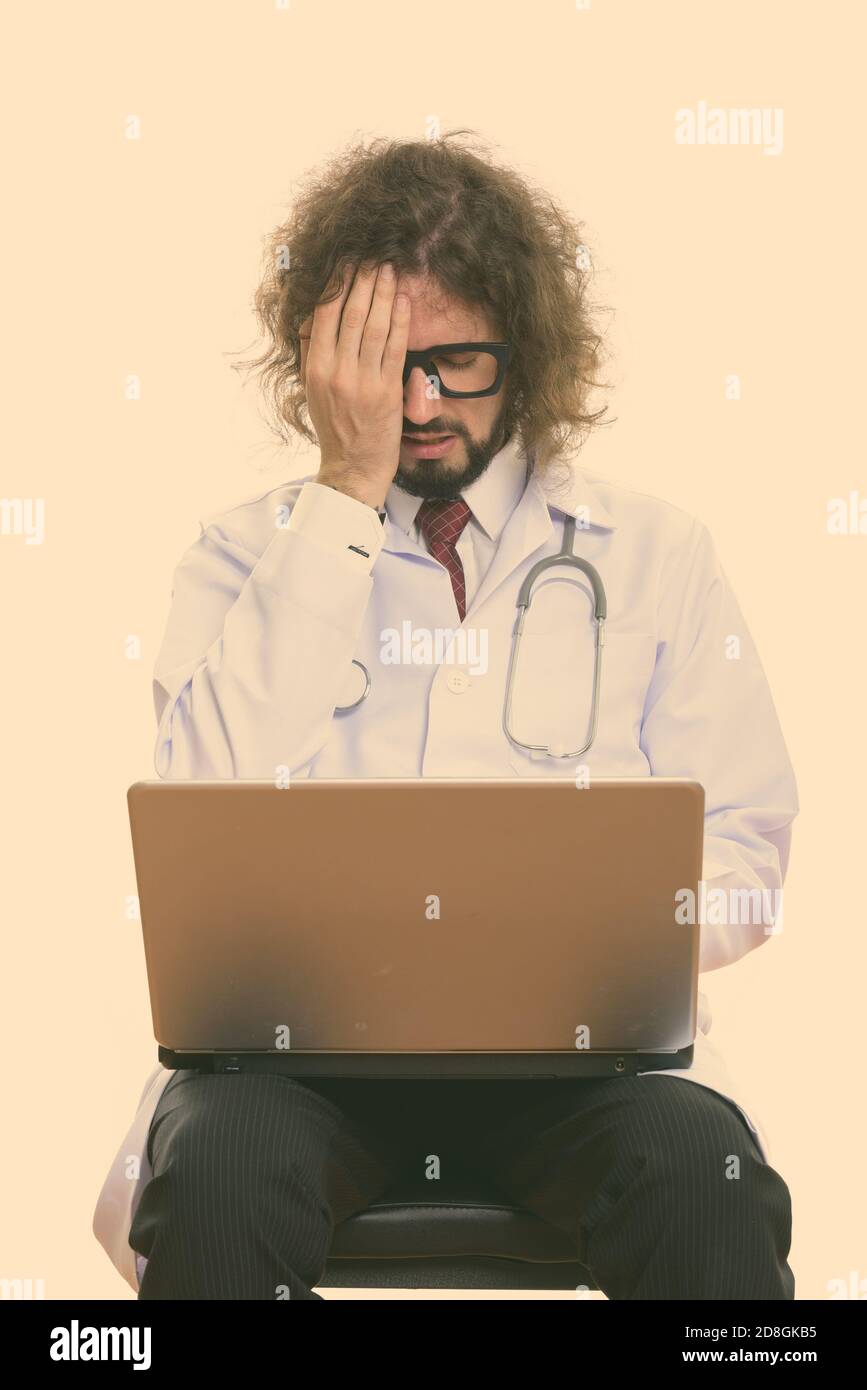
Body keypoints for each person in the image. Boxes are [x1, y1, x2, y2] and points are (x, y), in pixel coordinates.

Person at [93, 132, 798, 1300]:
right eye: (379, 365)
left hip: (591, 1065)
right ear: (319, 365)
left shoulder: (661, 553)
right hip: (297, 1073)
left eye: (455, 361)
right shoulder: (238, 557)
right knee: (219, 1169)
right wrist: (341, 504)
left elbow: (751, 848)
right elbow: (196, 816)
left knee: (700, 1172)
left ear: (525, 354)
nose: (416, 404)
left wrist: (586, 941)